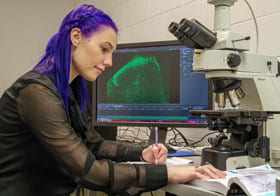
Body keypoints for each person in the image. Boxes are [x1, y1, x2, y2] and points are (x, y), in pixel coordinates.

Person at [0, 4, 226, 196]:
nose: (109, 62)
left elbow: (94, 145)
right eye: (104, 49)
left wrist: (142, 152)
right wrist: (168, 173)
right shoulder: (36, 93)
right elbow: (89, 172)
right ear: (76, 37)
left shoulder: (70, 89)